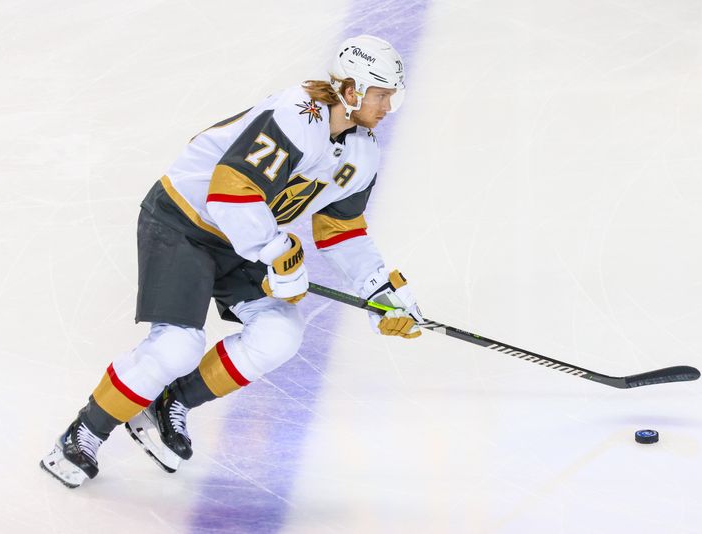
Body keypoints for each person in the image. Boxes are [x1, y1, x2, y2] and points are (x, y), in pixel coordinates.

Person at [40, 34, 423, 488]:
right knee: (176, 346)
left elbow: (341, 231)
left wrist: (381, 292)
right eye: (381, 95)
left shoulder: (362, 153)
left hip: (245, 238)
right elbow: (229, 193)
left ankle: (170, 403)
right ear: (352, 90)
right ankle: (83, 432)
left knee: (279, 334)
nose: (387, 107)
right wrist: (278, 255)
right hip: (185, 221)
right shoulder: (298, 114)